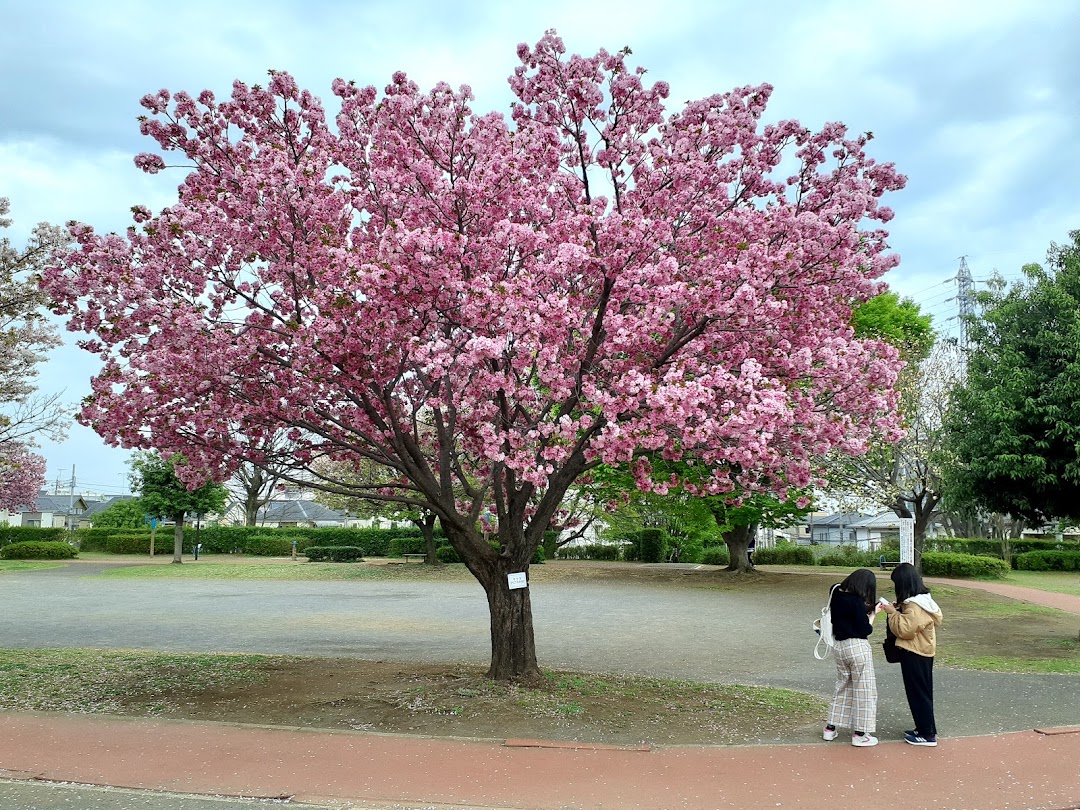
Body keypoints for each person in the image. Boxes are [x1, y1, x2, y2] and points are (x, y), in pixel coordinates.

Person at [879, 562, 943, 747]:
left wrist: (892, 613)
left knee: (918, 694)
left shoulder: (915, 605)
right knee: (921, 692)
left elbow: (905, 630)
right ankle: (924, 728)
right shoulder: (921, 600)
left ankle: (927, 734)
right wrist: (898, 610)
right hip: (921, 651)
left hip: (915, 652)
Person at [822, 568, 883, 747]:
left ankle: (830, 729)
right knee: (864, 689)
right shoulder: (856, 602)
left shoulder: (835, 591)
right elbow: (866, 630)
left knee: (843, 686)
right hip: (857, 647)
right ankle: (860, 734)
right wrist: (873, 614)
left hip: (839, 647)